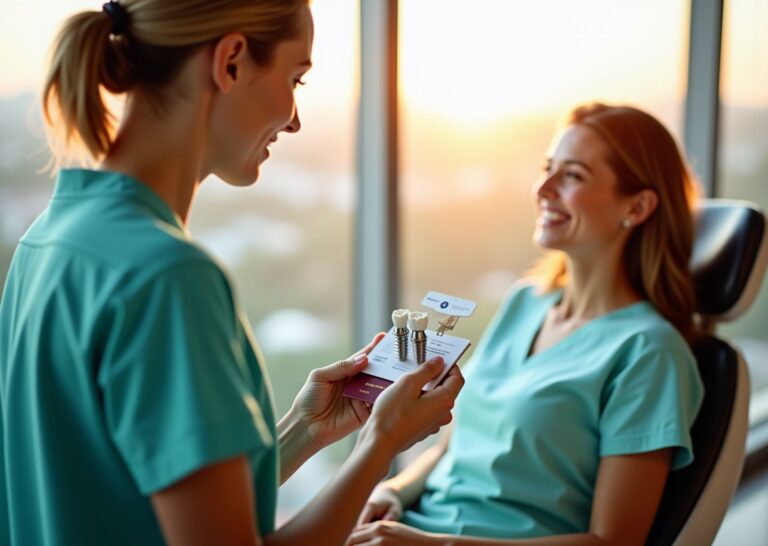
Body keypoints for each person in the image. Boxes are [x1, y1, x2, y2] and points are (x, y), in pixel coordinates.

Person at [0, 2, 465, 545]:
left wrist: (302, 433)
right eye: (296, 78)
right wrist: (381, 443)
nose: (294, 118)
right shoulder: (167, 277)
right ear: (231, 62)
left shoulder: (47, 239)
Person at [348, 103, 705, 546]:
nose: (544, 188)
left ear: (638, 205)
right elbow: (454, 449)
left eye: (572, 175)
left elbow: (615, 541)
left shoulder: (649, 352)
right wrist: (394, 493)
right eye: (547, 168)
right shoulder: (525, 303)